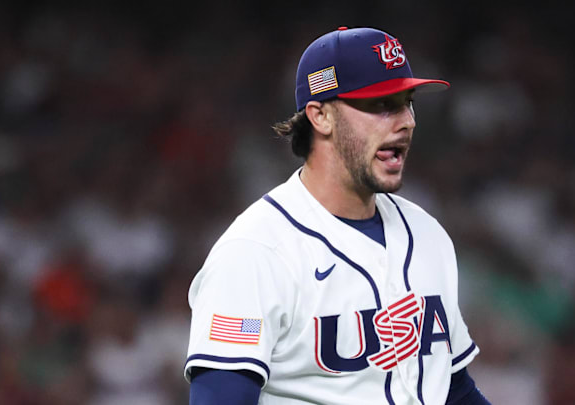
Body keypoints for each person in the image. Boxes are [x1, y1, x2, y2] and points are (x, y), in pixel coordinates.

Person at [185, 26, 491, 404]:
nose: (407, 120)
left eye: (408, 101)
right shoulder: (255, 252)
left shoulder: (427, 234)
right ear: (320, 116)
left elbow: (452, 388)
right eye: (382, 105)